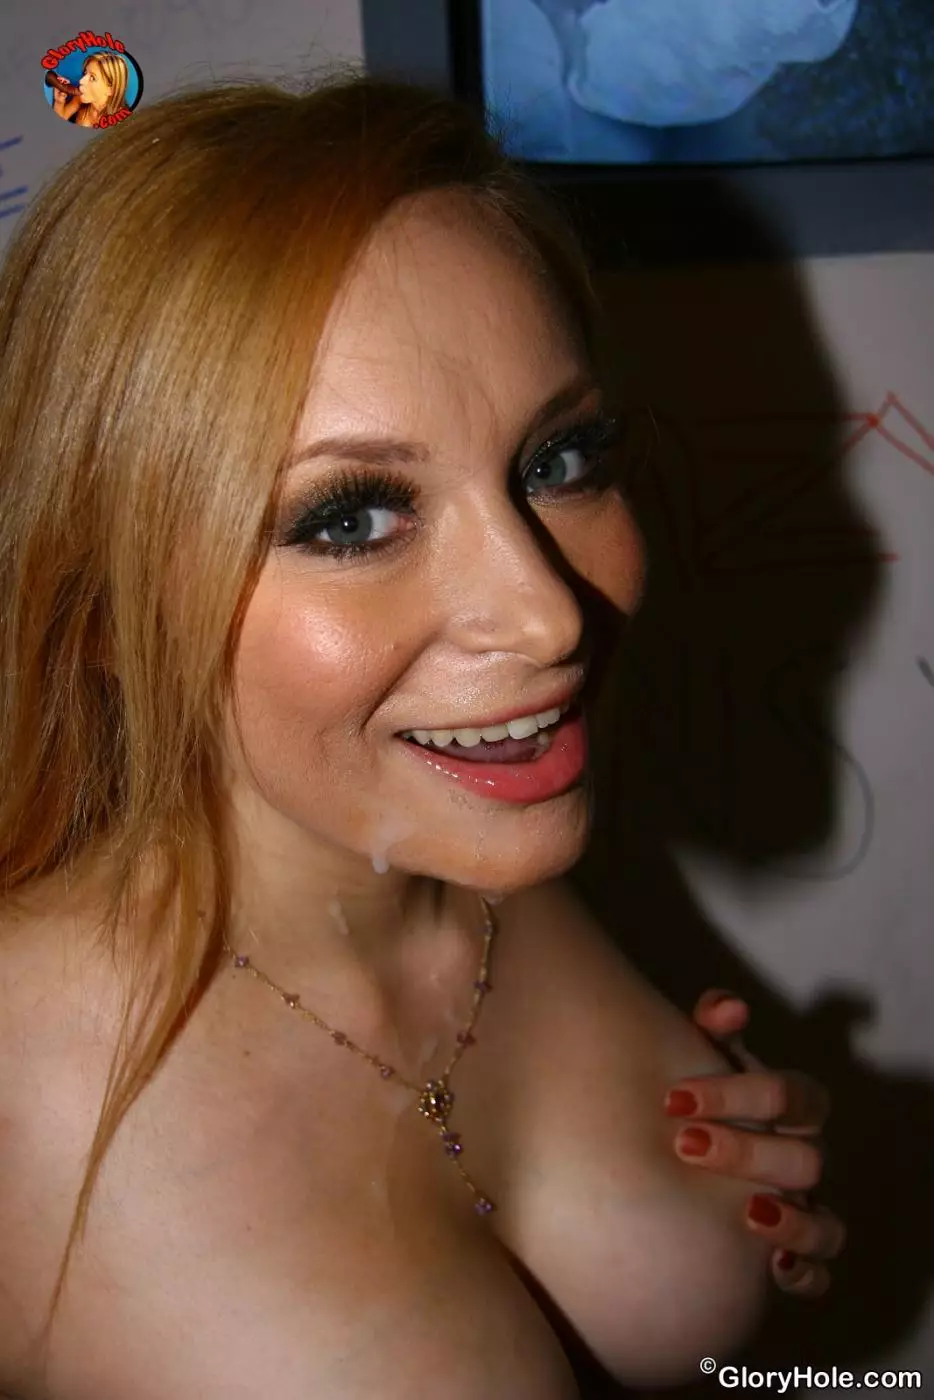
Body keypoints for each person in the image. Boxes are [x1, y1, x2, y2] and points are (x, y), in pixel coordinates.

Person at [0, 69, 843, 1399]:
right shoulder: (21, 1074)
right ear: (101, 607)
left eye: (558, 461)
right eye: (349, 518)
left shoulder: (471, 855)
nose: (548, 616)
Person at [49, 51, 129, 128]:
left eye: (92, 78)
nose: (81, 81)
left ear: (111, 90)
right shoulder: (80, 98)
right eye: (85, 73)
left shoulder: (123, 121)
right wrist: (59, 102)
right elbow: (58, 124)